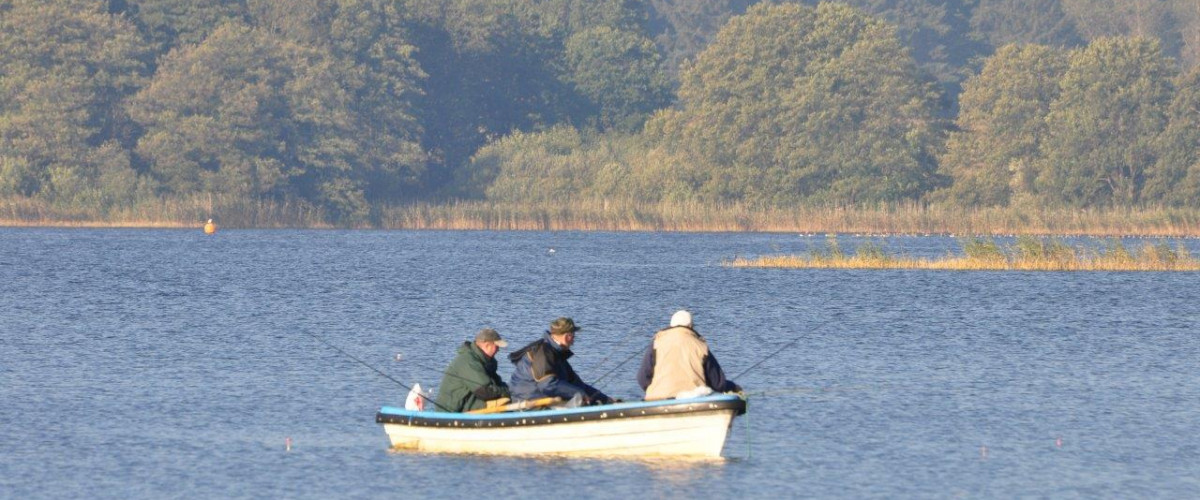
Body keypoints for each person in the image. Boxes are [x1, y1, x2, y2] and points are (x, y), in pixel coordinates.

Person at [637, 310, 741, 401]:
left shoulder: (656, 344)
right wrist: (733, 387)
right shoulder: (700, 346)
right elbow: (718, 383)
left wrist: (656, 390)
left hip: (656, 400)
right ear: (691, 326)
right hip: (694, 401)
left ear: (671, 326)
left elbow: (642, 379)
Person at [508, 317, 613, 407]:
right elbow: (547, 385)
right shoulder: (543, 352)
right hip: (527, 401)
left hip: (543, 399)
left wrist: (606, 400)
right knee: (579, 403)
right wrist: (578, 393)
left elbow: (577, 384)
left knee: (584, 401)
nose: (573, 340)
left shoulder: (557, 354)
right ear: (567, 336)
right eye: (573, 336)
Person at [434, 328, 512, 412]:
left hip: (470, 402)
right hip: (451, 412)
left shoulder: (486, 362)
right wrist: (506, 392)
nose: (498, 350)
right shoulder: (468, 361)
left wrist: (511, 391)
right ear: (486, 345)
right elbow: (484, 392)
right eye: (496, 347)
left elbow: (497, 383)